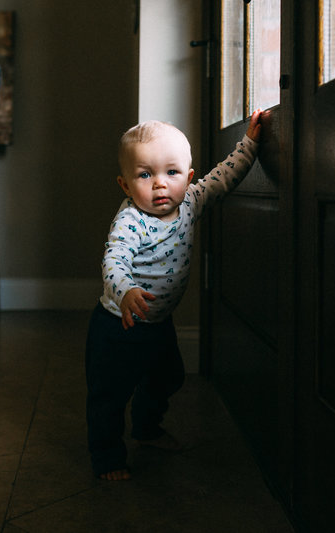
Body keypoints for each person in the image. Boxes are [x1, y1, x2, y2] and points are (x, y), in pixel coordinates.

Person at [86, 110, 264, 481]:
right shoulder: (130, 221)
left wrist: (249, 143)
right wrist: (126, 292)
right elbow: (114, 261)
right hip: (118, 325)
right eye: (145, 175)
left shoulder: (191, 202)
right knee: (110, 396)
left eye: (172, 173)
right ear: (125, 185)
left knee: (167, 377)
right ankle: (108, 458)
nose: (160, 185)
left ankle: (147, 428)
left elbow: (224, 177)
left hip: (158, 323)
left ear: (189, 178)